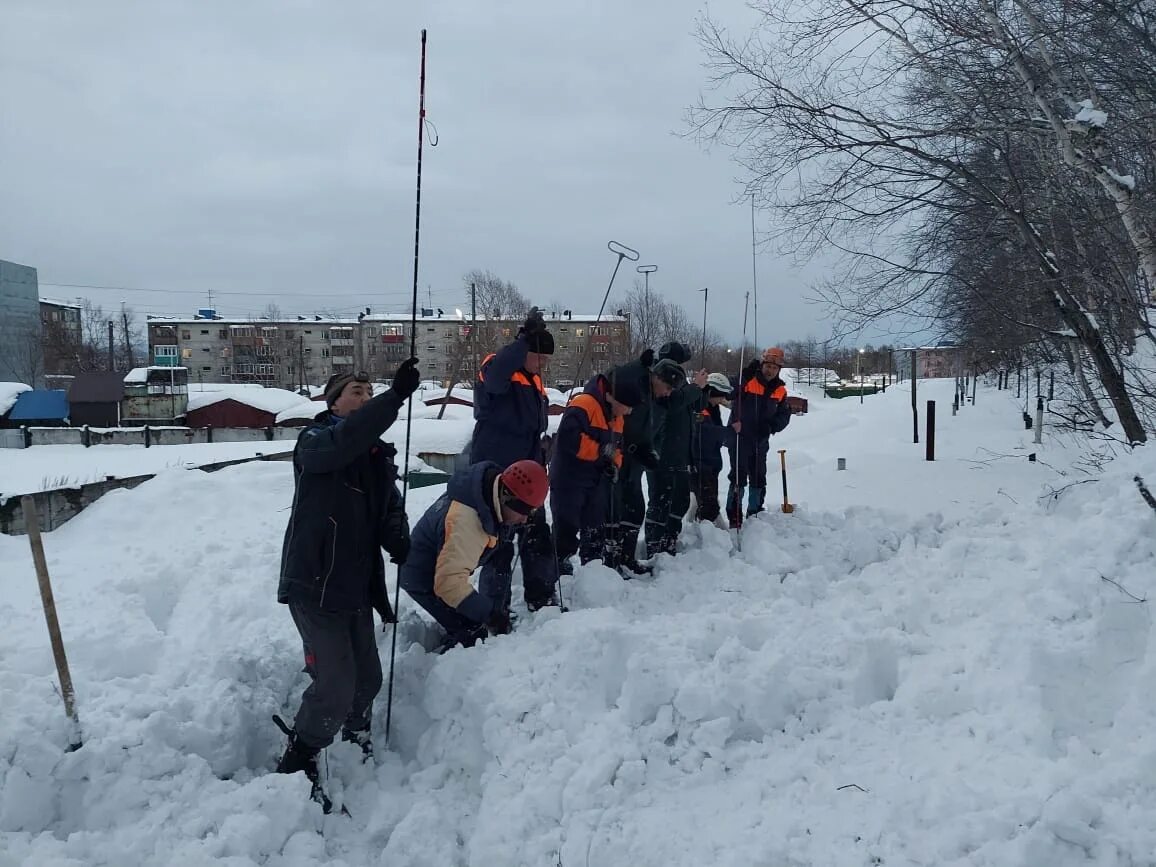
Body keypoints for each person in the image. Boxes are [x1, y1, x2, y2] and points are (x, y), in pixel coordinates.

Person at [274, 358, 422, 810]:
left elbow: (389, 505)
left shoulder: (375, 456)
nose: (364, 397)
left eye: (369, 390)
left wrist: (397, 533)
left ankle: (353, 732)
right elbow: (344, 444)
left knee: (368, 680)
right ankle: (299, 757)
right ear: (333, 402)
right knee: (335, 684)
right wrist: (394, 398)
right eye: (356, 391)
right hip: (314, 584)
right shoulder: (315, 443)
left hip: (355, 586)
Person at [399, 460, 549, 649]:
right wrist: (489, 614)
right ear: (507, 497)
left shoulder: (486, 497)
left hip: (442, 564)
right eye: (526, 511)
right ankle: (451, 665)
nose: (526, 519)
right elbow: (448, 584)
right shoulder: (467, 522)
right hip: (422, 577)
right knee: (473, 632)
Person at [469, 308, 559, 618]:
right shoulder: (497, 369)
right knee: (499, 545)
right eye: (540, 356)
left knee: (537, 538)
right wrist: (522, 340)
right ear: (524, 352)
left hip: (529, 472)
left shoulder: (533, 381)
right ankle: (495, 611)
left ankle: (542, 596)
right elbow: (495, 380)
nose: (543, 363)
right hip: (498, 476)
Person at [549, 368, 641, 573]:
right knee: (566, 527)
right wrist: (601, 452)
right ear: (611, 397)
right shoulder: (584, 404)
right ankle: (558, 574)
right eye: (626, 407)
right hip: (569, 477)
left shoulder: (616, 416)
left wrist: (615, 463)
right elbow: (568, 440)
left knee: (594, 528)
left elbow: (618, 447)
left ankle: (593, 574)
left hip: (596, 479)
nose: (627, 412)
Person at [607, 349, 674, 575]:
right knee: (614, 512)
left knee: (635, 509)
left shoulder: (655, 401)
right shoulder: (636, 385)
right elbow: (615, 378)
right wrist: (639, 364)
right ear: (657, 378)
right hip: (615, 459)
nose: (668, 394)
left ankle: (626, 557)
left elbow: (643, 430)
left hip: (633, 462)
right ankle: (611, 561)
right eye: (668, 388)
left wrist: (647, 451)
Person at [644, 356, 708, 558]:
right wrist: (695, 388)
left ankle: (670, 538)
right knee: (660, 502)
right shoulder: (658, 397)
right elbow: (674, 403)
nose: (671, 391)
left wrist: (701, 389)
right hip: (661, 457)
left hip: (680, 456)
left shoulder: (680, 393)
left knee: (679, 501)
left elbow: (696, 405)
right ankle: (654, 545)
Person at [726, 347, 792, 527]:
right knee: (738, 478)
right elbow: (728, 391)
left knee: (758, 478)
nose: (770, 370)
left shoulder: (780, 390)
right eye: (767, 365)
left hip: (761, 441)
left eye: (774, 367)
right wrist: (742, 377)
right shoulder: (748, 380)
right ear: (762, 364)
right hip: (740, 438)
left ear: (779, 370)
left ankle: (754, 514)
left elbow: (784, 415)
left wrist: (771, 426)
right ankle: (734, 516)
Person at [691, 373, 735, 523]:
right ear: (712, 392)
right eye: (720, 396)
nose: (722, 400)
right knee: (709, 505)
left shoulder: (712, 407)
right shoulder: (699, 406)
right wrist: (730, 431)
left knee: (709, 502)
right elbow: (705, 432)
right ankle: (709, 539)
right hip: (700, 464)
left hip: (711, 464)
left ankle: (704, 529)